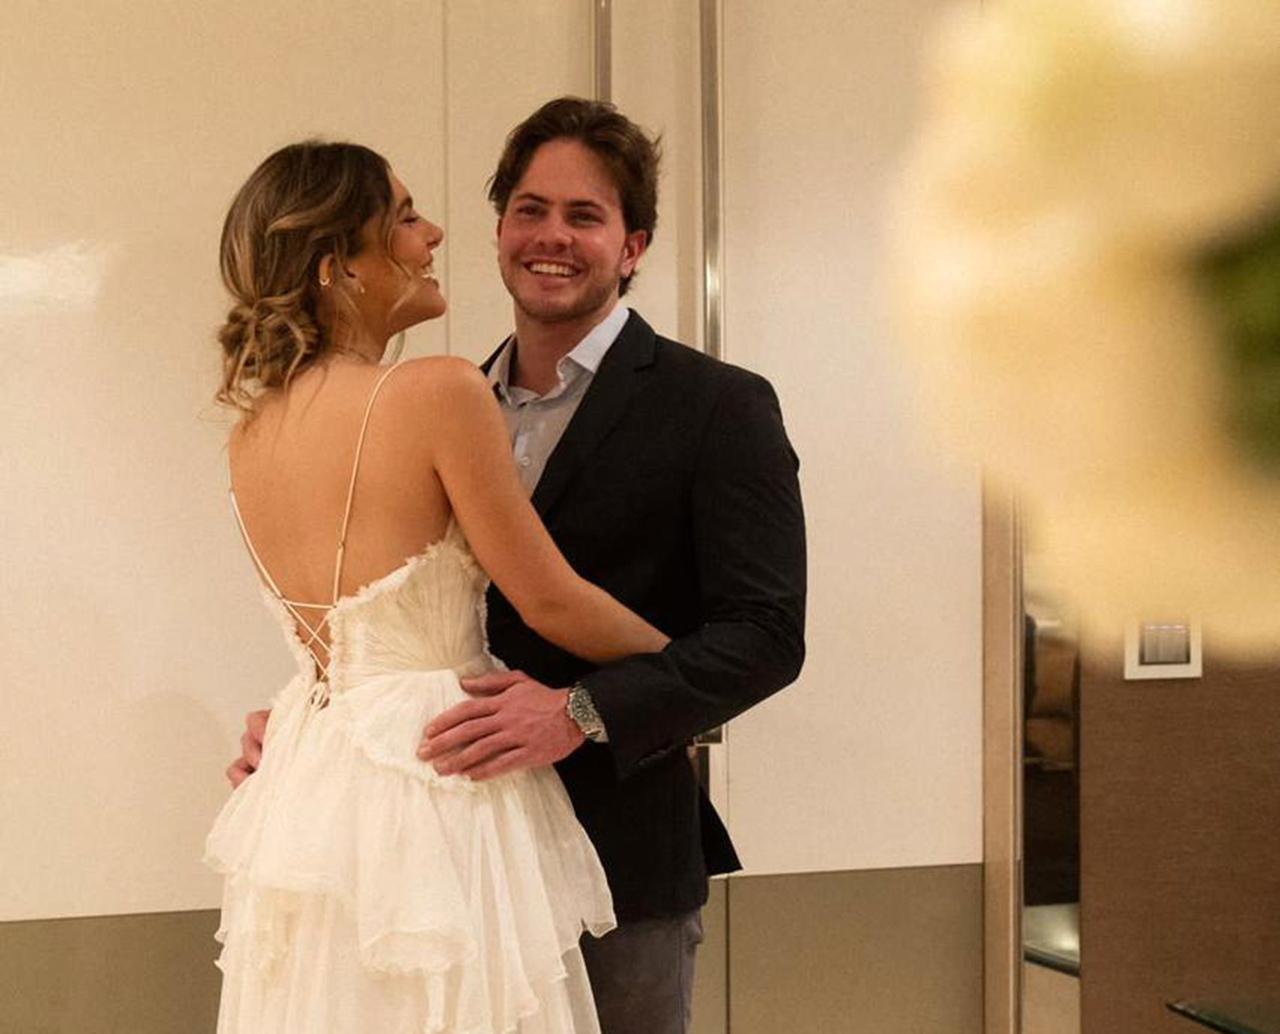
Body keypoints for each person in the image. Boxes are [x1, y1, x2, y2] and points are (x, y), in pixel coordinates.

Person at [234, 97, 807, 1034]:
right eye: (531, 210)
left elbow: (767, 638)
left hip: (620, 856)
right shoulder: (431, 398)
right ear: (501, 228)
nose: (552, 237)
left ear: (632, 246)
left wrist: (585, 709)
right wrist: (323, 709)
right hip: (428, 850)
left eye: (585, 216)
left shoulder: (719, 406)